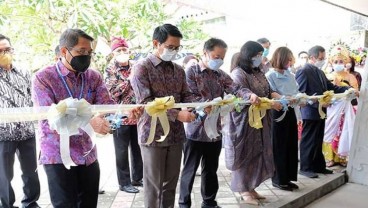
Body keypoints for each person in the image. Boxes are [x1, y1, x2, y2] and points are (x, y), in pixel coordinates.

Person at [32, 29, 115, 208]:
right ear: (64, 51)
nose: (86, 56)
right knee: (65, 205)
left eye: (89, 53)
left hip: (87, 155)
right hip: (58, 156)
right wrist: (88, 121)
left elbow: (105, 105)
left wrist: (126, 112)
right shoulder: (43, 77)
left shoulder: (93, 76)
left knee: (88, 203)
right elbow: (50, 118)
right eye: (81, 52)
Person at [178, 38, 258, 208]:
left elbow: (235, 88)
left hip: (215, 131)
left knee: (211, 169)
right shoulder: (191, 71)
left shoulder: (220, 75)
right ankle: (184, 203)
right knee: (190, 169)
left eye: (222, 57)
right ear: (205, 53)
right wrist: (205, 104)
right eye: (216, 56)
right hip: (195, 130)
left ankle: (209, 202)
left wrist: (249, 95)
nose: (219, 60)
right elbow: (188, 96)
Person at [130, 23, 196, 208]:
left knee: (170, 185)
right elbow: (147, 102)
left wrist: (198, 107)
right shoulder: (141, 68)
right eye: (170, 47)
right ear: (156, 43)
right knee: (153, 186)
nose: (174, 51)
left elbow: (187, 95)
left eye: (177, 48)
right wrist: (177, 115)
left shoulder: (178, 70)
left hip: (175, 135)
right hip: (153, 135)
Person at [223, 41, 282, 205]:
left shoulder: (259, 71)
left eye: (261, 54)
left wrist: (280, 97)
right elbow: (243, 97)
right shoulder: (238, 73)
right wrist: (270, 103)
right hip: (244, 122)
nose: (260, 58)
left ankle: (251, 187)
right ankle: (243, 190)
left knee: (258, 153)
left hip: (261, 121)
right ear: (248, 55)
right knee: (245, 154)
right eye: (257, 55)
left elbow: (268, 91)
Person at [295, 45, 350, 179]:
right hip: (310, 110)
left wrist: (347, 89)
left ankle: (318, 165)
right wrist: (316, 103)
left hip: (322, 110)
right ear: (312, 58)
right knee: (308, 140)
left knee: (318, 139)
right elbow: (301, 93)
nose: (323, 60)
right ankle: (305, 167)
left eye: (324, 58)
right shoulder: (303, 71)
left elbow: (330, 87)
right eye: (321, 58)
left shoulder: (319, 71)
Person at [0, 34, 41, 208]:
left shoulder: (24, 72)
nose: (4, 53)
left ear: (12, 50)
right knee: (4, 175)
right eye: (0, 51)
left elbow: (33, 99)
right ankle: (7, 204)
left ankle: (30, 202)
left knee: (31, 172)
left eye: (7, 49)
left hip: (27, 131)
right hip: (3, 133)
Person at [104, 36, 143, 193]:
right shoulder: (110, 69)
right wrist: (130, 81)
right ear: (113, 53)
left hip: (138, 115)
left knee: (138, 148)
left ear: (129, 51)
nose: (122, 52)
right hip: (119, 117)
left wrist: (131, 80)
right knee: (121, 152)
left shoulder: (136, 66)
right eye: (118, 50)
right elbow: (112, 92)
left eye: (124, 50)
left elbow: (142, 86)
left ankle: (138, 178)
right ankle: (124, 182)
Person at [266, 47, 300, 191]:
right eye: (288, 59)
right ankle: (278, 179)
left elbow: (296, 91)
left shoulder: (290, 75)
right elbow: (271, 92)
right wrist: (283, 98)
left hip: (291, 110)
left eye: (291, 59)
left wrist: (299, 98)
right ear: (281, 58)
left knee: (291, 144)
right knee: (279, 145)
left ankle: (288, 177)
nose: (290, 62)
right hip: (278, 111)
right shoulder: (270, 75)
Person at [323, 45, 358, 168]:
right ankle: (329, 157)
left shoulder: (351, 77)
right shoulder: (327, 75)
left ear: (346, 62)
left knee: (344, 130)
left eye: (341, 61)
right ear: (331, 62)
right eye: (336, 61)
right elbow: (325, 92)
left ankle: (342, 156)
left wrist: (344, 85)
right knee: (329, 131)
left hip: (346, 109)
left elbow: (355, 93)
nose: (338, 63)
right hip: (332, 108)